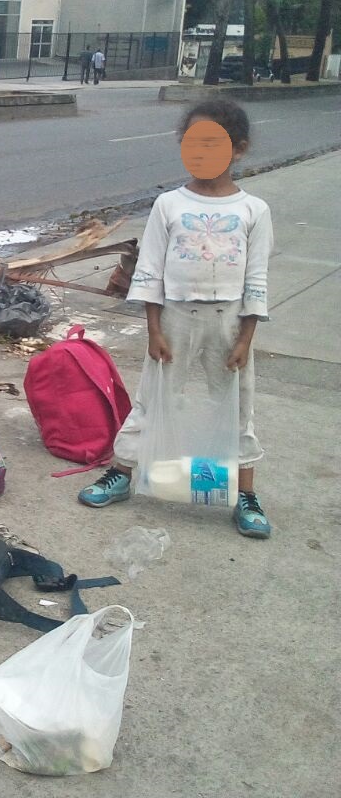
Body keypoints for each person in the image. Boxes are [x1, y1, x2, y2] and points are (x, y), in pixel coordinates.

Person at [77, 100, 273, 539]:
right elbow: (150, 270)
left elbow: (257, 276)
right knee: (153, 397)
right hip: (175, 319)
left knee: (238, 405)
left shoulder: (253, 210)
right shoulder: (168, 205)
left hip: (229, 322)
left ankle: (245, 494)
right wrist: (154, 328)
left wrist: (245, 337)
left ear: (237, 150)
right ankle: (122, 474)